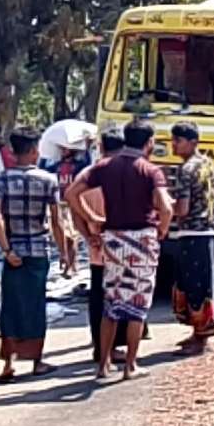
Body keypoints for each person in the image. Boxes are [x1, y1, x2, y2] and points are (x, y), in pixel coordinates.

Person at [65, 119, 173, 380]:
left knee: (111, 302)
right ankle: (130, 365)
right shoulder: (150, 171)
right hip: (142, 238)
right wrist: (162, 229)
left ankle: (103, 364)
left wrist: (93, 218)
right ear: (149, 143)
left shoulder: (102, 167)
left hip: (112, 238)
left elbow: (71, 193)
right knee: (138, 303)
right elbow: (165, 207)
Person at [0, 126, 67, 381]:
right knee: (35, 306)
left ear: (12, 150)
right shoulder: (48, 180)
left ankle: (8, 363)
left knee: (10, 306)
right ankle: (36, 360)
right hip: (37, 251)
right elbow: (56, 222)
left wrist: (5, 249)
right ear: (34, 151)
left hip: (13, 251)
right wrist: (64, 253)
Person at [72, 126, 136, 368]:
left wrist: (88, 234)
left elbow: (74, 207)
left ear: (100, 147)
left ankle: (100, 346)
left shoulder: (88, 174)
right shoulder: (123, 173)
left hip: (96, 247)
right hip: (121, 246)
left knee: (98, 296)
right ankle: (115, 348)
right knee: (120, 296)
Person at [168, 122, 214, 356]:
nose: (174, 145)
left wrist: (163, 206)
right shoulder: (207, 164)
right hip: (208, 230)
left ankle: (201, 338)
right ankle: (198, 334)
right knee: (201, 284)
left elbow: (182, 208)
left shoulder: (185, 170)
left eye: (178, 140)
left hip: (193, 232)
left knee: (194, 286)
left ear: (192, 142)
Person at [41, 143, 92, 278]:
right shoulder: (53, 166)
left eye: (66, 148)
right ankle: (69, 261)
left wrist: (87, 146)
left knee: (72, 235)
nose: (63, 151)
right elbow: (42, 169)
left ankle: (70, 264)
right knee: (61, 232)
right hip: (58, 202)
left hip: (72, 202)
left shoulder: (79, 165)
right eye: (61, 148)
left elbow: (88, 164)